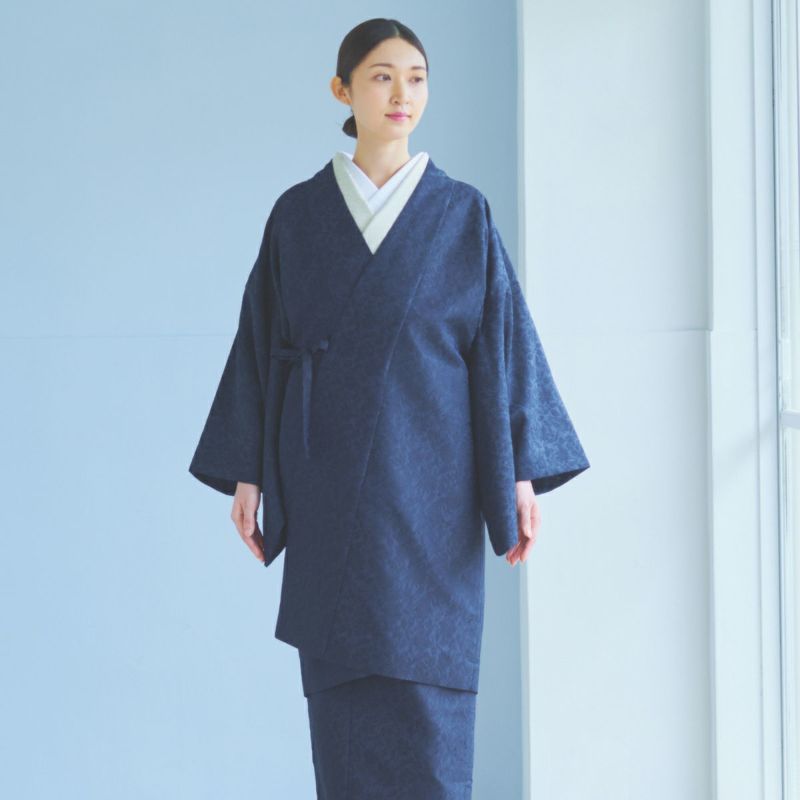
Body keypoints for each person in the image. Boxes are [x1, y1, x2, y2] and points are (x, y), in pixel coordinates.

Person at [188, 17, 590, 799]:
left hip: (435, 494)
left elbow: (501, 343)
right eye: (381, 76)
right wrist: (247, 469)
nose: (402, 93)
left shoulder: (462, 215)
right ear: (342, 90)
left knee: (433, 728)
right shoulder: (299, 215)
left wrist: (519, 469)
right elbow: (261, 339)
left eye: (416, 77)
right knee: (345, 736)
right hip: (329, 486)